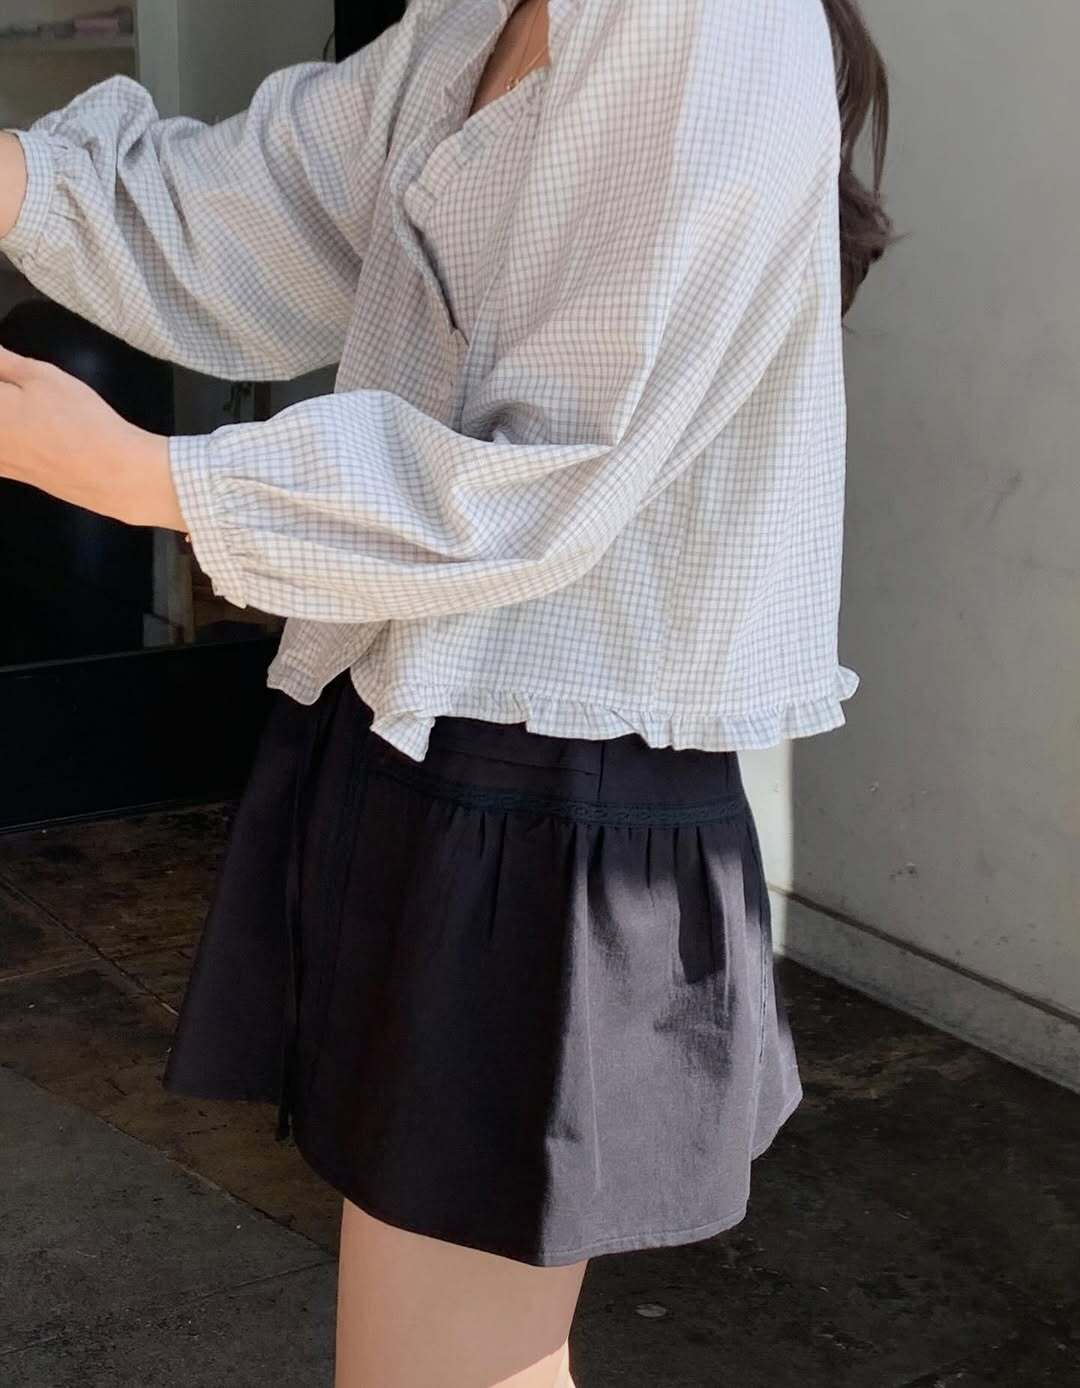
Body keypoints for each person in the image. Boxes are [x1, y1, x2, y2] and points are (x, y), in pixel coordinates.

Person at [0, 0, 895, 1382]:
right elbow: (271, 208)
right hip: (425, 723)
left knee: (446, 1366)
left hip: (554, 774)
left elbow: (561, 465)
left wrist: (140, 475)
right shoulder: (484, 15)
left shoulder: (706, 21)